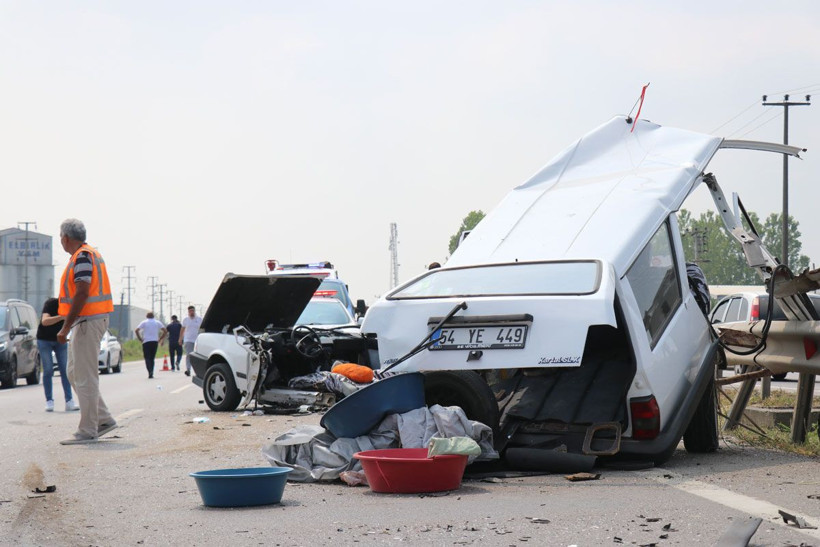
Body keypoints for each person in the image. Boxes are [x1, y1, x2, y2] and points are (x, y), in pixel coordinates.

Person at [56, 218, 117, 445]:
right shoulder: (86, 254)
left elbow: (81, 292)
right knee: (75, 373)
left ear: (66, 238)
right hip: (87, 321)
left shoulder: (82, 256)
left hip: (87, 322)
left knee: (85, 376)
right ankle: (103, 419)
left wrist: (65, 327)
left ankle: (87, 430)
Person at [37, 296, 79, 412]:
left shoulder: (72, 306)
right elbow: (45, 321)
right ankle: (49, 401)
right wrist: (61, 317)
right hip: (44, 340)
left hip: (60, 341)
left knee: (65, 370)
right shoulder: (51, 303)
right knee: (48, 369)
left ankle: (69, 401)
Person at [135, 312, 166, 378]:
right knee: (152, 358)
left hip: (146, 342)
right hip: (155, 341)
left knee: (147, 358)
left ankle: (149, 371)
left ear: (147, 316)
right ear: (153, 316)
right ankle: (151, 371)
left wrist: (140, 339)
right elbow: (165, 331)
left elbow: (136, 330)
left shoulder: (144, 322)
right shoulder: (157, 322)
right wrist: (160, 338)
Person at [180, 305, 202, 377]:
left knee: (197, 356)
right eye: (190, 311)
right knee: (188, 355)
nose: (191, 312)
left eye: (192, 311)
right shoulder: (186, 320)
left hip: (197, 340)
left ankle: (198, 371)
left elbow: (202, 329)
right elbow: (182, 329)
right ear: (188, 312)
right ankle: (188, 370)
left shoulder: (199, 319)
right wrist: (180, 338)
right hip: (188, 339)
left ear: (194, 311)